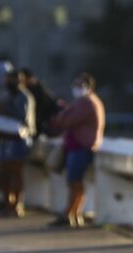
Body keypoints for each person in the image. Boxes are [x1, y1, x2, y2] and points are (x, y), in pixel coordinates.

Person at [49, 73, 105, 227]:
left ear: (89, 87)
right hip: (76, 147)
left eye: (80, 85)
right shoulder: (83, 102)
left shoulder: (87, 102)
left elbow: (65, 120)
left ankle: (72, 214)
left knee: (74, 181)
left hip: (81, 148)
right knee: (74, 182)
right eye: (75, 85)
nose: (76, 88)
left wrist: (63, 113)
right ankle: (72, 213)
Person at [0, 68, 36, 217]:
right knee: (2, 172)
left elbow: (23, 117)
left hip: (18, 139)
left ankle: (17, 204)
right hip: (3, 139)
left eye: (13, 79)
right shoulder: (5, 94)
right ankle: (7, 202)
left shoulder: (25, 97)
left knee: (15, 173)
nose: (10, 83)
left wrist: (4, 109)